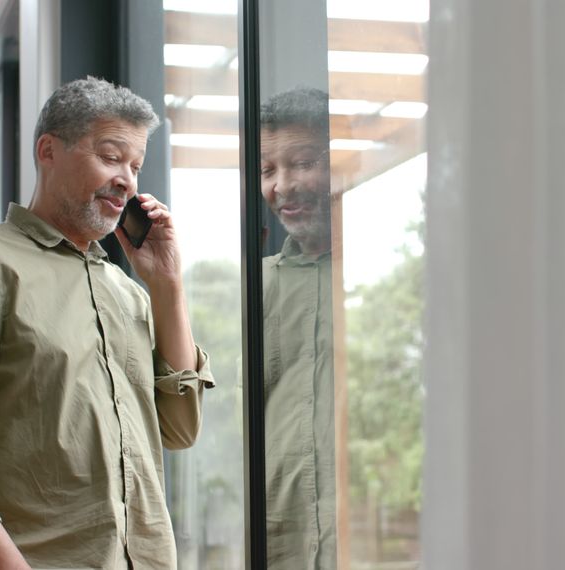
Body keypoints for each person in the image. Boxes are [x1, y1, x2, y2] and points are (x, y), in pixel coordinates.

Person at [0, 76, 213, 570]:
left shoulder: (127, 291)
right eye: (111, 157)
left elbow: (178, 429)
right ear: (48, 150)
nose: (128, 181)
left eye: (135, 166)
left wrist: (168, 287)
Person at [259, 86, 337, 569]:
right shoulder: (255, 286)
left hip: (373, 537)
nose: (282, 186)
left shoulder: (382, 278)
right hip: (277, 542)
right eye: (268, 170)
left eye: (303, 162)